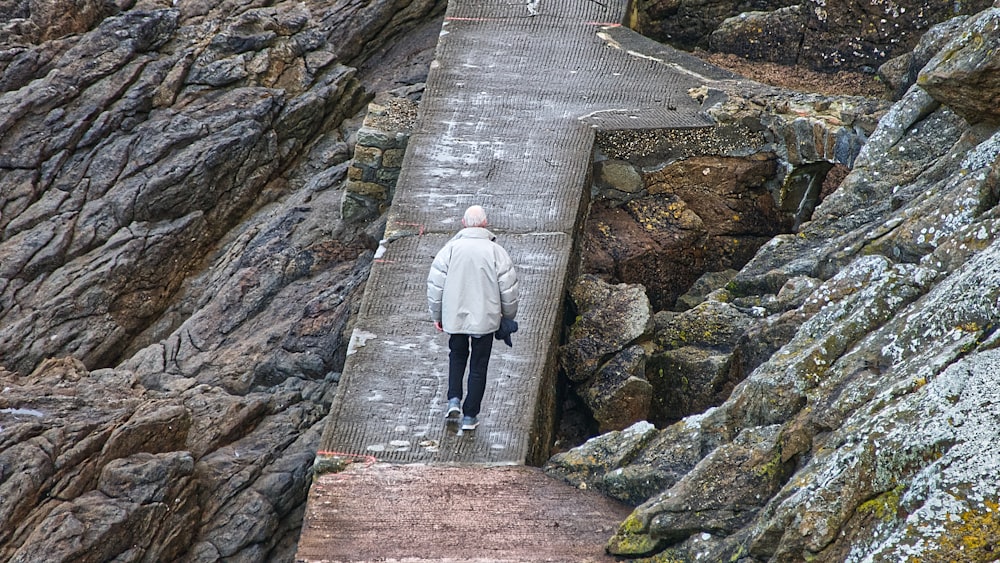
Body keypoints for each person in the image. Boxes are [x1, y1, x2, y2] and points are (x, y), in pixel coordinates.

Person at [427, 205, 519, 431]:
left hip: (454, 316)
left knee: (456, 356)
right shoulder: (496, 252)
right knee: (479, 365)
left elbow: (435, 286)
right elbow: (509, 290)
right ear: (485, 223)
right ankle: (470, 416)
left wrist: (437, 315)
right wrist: (507, 318)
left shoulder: (449, 249)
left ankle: (453, 399)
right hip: (485, 319)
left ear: (463, 222)